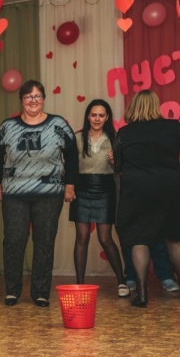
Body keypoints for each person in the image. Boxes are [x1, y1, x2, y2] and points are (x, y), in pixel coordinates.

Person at [114, 90, 180, 307]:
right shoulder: (176, 127)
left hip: (136, 189)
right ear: (156, 106)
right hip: (169, 187)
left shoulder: (123, 133)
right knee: (173, 237)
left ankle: (141, 293)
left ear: (133, 107)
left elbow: (118, 166)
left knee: (139, 239)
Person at [0, 80, 78, 307]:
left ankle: (40, 292)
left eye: (37, 96)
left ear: (44, 99)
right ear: (21, 100)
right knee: (14, 240)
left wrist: (70, 186)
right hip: (14, 193)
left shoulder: (58, 124)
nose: (33, 101)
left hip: (49, 193)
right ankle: (12, 291)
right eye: (28, 97)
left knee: (44, 242)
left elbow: (72, 156)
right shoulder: (8, 126)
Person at [70, 99, 128, 297]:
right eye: (93, 115)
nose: (97, 119)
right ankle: (80, 285)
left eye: (101, 115)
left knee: (105, 238)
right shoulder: (77, 137)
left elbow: (123, 169)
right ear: (88, 116)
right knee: (82, 237)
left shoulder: (115, 138)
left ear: (107, 117)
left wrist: (116, 161)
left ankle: (122, 281)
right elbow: (70, 166)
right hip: (81, 189)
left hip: (105, 189)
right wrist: (69, 188)